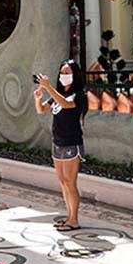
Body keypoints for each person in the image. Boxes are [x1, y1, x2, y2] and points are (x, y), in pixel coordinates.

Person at [34, 59, 88, 231]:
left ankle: (74, 220)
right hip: (57, 142)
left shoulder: (79, 95)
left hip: (72, 143)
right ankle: (68, 216)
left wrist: (49, 87)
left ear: (75, 75)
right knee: (63, 182)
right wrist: (39, 98)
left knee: (71, 182)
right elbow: (41, 110)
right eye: (62, 73)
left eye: (67, 73)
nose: (64, 76)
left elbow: (66, 105)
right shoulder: (57, 94)